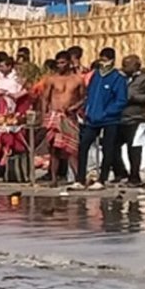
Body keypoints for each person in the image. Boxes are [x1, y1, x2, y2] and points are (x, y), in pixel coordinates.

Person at [76, 47, 128, 190]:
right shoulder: (96, 76)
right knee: (83, 145)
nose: (103, 62)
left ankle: (102, 179)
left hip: (110, 120)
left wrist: (107, 113)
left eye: (106, 59)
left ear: (112, 60)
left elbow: (121, 100)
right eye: (102, 59)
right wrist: (87, 110)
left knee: (108, 149)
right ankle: (80, 179)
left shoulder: (118, 78)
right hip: (92, 119)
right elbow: (90, 95)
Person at [39, 51, 85, 185]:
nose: (60, 65)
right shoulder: (52, 79)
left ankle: (78, 179)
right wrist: (44, 116)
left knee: (71, 149)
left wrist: (74, 107)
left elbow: (83, 98)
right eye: (58, 63)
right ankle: (53, 179)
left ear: (69, 63)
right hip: (54, 115)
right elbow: (45, 99)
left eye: (63, 62)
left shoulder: (77, 79)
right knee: (54, 150)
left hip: (70, 117)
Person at [119, 55, 145, 187]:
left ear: (136, 65)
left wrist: (133, 98)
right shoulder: (121, 78)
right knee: (111, 146)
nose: (123, 67)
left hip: (136, 118)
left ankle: (134, 177)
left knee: (134, 148)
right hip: (119, 118)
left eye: (126, 65)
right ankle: (121, 173)